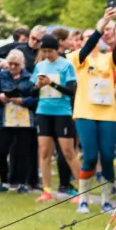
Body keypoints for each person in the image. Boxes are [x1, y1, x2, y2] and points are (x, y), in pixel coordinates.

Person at [71, 8, 116, 213]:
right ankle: (84, 199)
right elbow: (87, 48)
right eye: (86, 37)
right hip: (85, 113)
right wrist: (99, 29)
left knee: (108, 157)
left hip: (108, 114)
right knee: (90, 156)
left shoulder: (108, 58)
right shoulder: (77, 57)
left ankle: (106, 200)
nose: (89, 39)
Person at [33, 34, 79, 204]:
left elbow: (71, 91)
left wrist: (51, 83)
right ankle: (46, 190)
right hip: (43, 111)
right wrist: (37, 85)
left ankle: (83, 190)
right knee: (44, 152)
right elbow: (32, 92)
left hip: (62, 112)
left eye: (50, 51)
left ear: (57, 49)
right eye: (44, 51)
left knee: (68, 152)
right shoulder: (40, 66)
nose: (47, 54)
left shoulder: (66, 65)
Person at [0, 49, 37, 193]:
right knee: (3, 151)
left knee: (23, 152)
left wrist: (23, 100)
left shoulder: (30, 78)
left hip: (25, 120)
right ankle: (4, 181)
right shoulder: (1, 77)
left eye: (16, 65)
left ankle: (22, 183)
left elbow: (36, 99)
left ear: (22, 64)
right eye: (10, 64)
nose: (12, 67)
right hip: (6, 119)